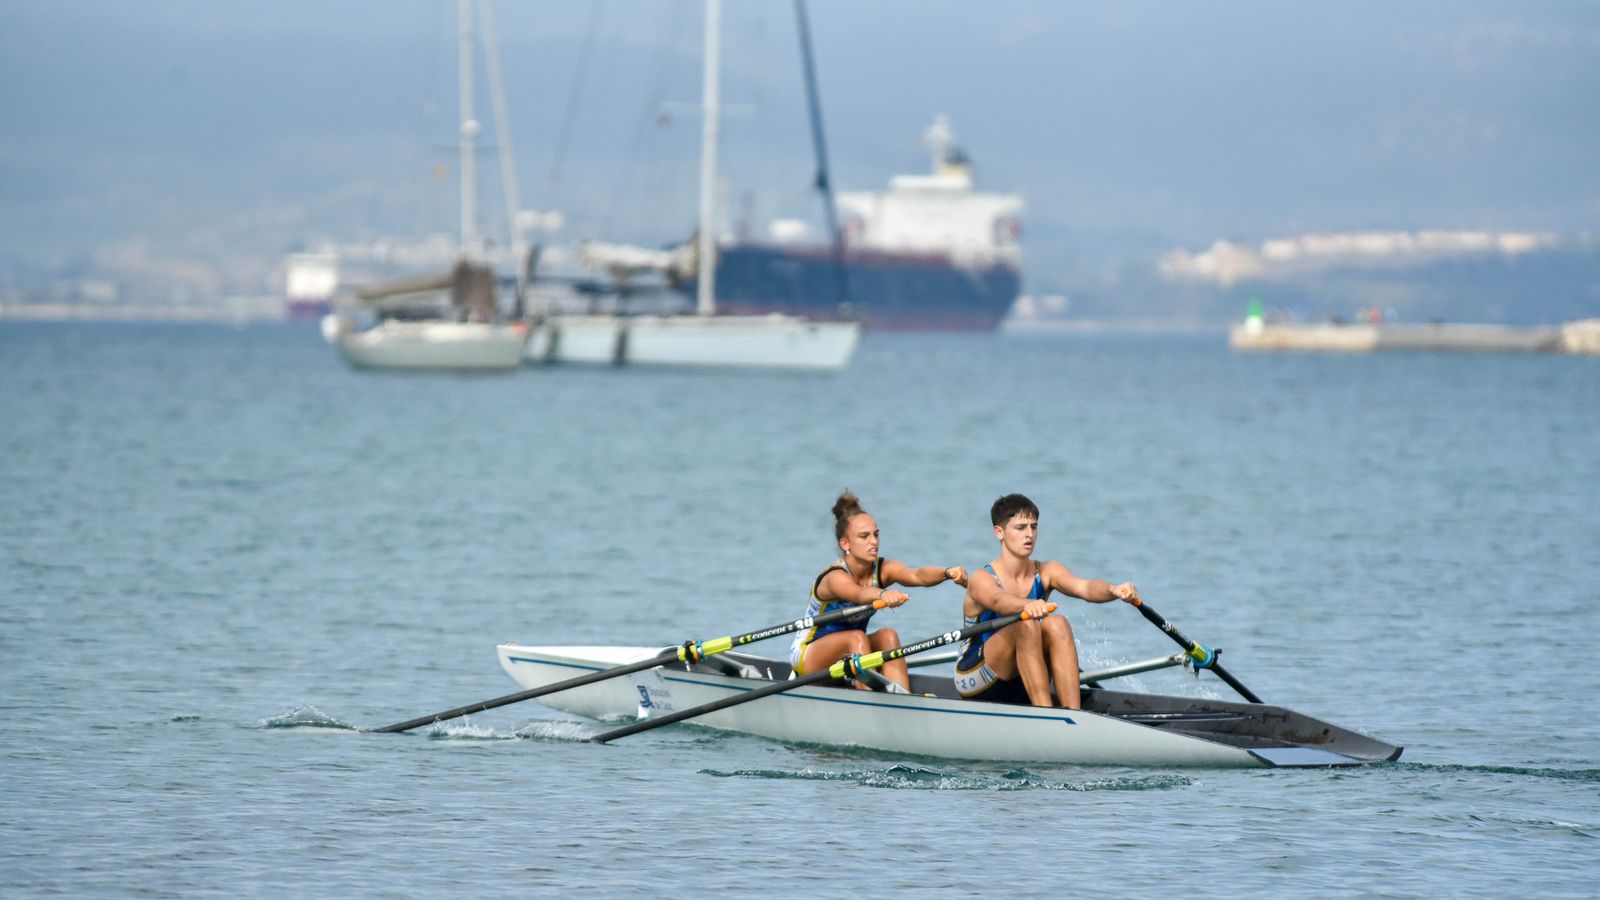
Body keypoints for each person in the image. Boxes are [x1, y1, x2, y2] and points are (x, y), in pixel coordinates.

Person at [956, 493, 1140, 709]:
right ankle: (1046, 713)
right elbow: (999, 601)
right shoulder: (982, 578)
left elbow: (1085, 587)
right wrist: (1026, 605)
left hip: (1025, 674)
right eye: (1020, 528)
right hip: (975, 677)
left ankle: (1073, 714)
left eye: (1034, 527)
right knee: (1026, 625)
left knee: (1057, 623)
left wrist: (1114, 589)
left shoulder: (1046, 571)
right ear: (999, 532)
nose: (1029, 534)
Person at [791, 491, 969, 691]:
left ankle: (902, 699)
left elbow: (917, 575)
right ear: (845, 543)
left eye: (876, 534)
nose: (874, 542)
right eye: (864, 536)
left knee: (888, 636)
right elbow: (858, 594)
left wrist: (947, 572)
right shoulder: (834, 577)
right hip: (809, 659)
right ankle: (868, 699)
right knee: (855, 637)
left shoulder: (882, 569)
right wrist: (883, 594)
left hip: (849, 657)